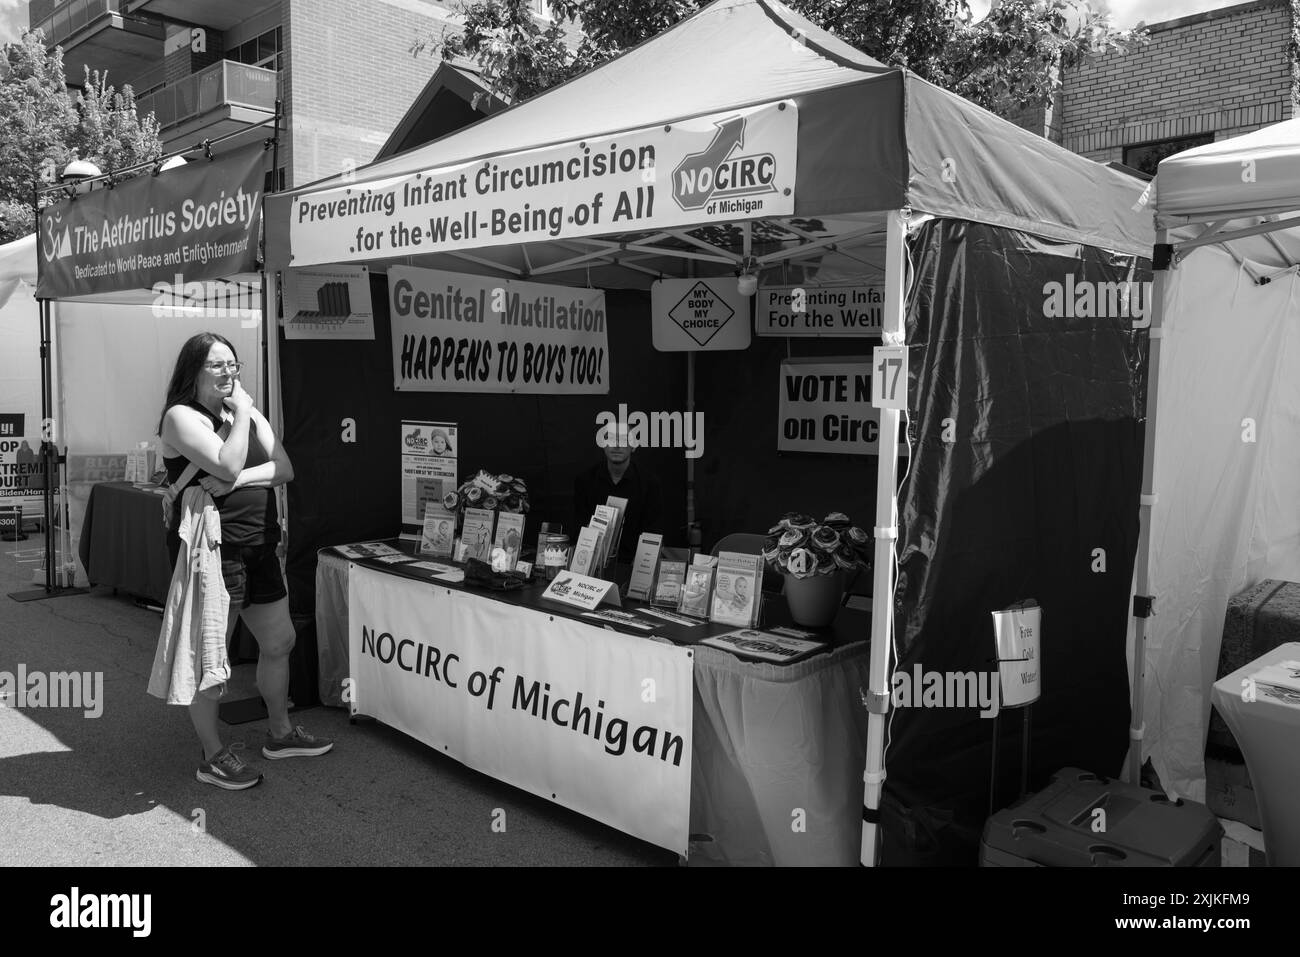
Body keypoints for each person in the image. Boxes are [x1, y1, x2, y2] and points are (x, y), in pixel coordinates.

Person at [155, 332, 332, 791]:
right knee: (212, 659)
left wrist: (237, 473)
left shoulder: (246, 413)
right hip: (213, 551)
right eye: (217, 365)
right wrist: (241, 419)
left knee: (280, 642)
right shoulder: (180, 417)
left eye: (233, 364)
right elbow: (227, 463)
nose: (229, 372)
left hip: (259, 544)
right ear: (192, 370)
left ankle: (280, 732)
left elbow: (283, 468)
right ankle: (212, 755)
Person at [573, 423, 663, 564]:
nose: (616, 445)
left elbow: (653, 530)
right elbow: (578, 526)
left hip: (633, 563)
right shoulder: (585, 481)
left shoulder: (649, 483)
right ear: (603, 445)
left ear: (633, 446)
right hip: (591, 562)